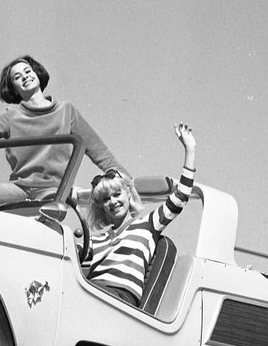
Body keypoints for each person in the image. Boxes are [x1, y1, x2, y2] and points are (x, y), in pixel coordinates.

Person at [0, 54, 128, 207]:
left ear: (37, 74)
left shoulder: (67, 111)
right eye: (17, 77)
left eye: (27, 71)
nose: (25, 77)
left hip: (55, 190)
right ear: (14, 88)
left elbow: (99, 152)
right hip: (20, 189)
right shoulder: (12, 116)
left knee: (78, 210)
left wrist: (127, 181)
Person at [81, 123, 196, 306]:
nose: (113, 201)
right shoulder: (95, 240)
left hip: (120, 300)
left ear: (128, 193)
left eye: (117, 194)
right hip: (93, 293)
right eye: (106, 199)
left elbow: (180, 197)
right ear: (101, 206)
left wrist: (190, 150)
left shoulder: (148, 225)